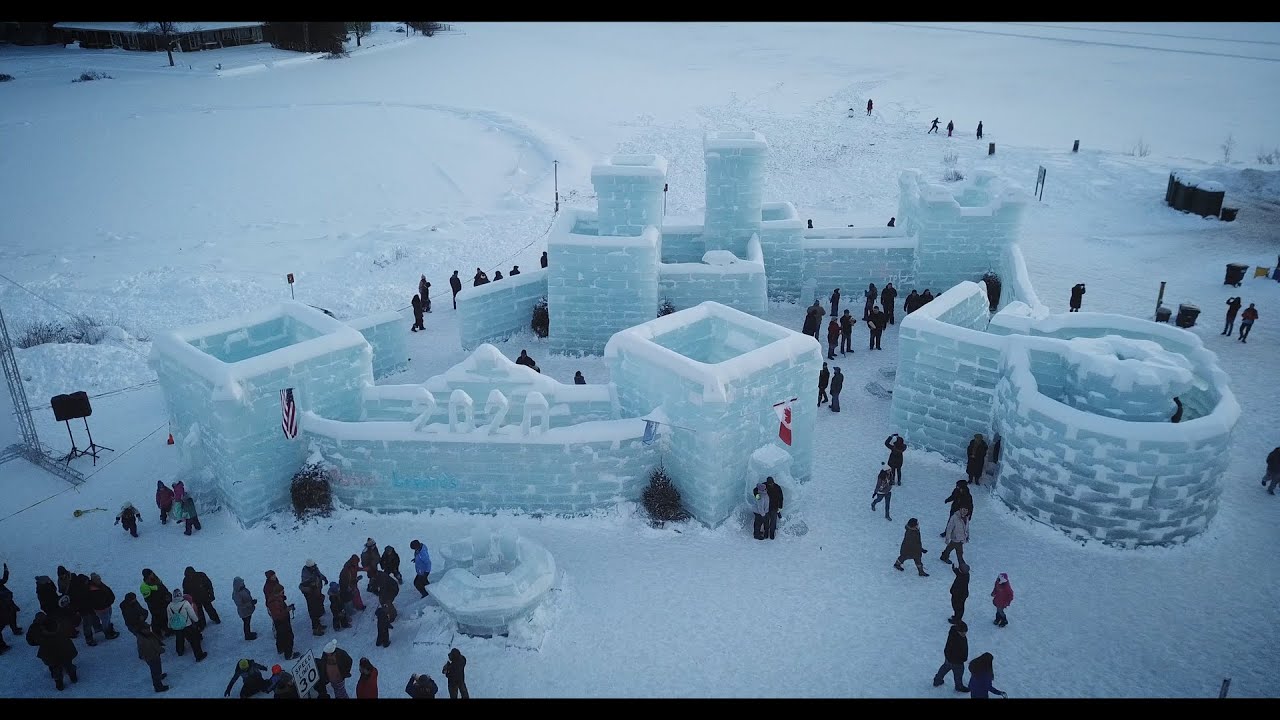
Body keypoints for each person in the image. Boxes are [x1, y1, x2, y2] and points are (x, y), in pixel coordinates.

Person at [35, 613, 79, 691]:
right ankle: (73, 677)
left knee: (56, 667)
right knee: (68, 664)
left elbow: (31, 640)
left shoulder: (35, 628)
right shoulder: (56, 621)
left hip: (49, 652)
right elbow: (68, 629)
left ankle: (59, 684)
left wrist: (40, 641)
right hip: (64, 647)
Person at [264, 570, 298, 661]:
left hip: (279, 620)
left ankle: (280, 648)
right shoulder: (274, 601)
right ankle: (289, 654)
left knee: (280, 635)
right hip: (281, 620)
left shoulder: (275, 598)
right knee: (288, 636)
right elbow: (278, 613)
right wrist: (287, 609)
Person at [165, 588, 207, 661]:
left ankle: (180, 651)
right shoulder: (185, 603)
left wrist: (170, 626)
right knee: (194, 641)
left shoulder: (169, 606)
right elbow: (192, 614)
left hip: (177, 626)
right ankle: (199, 656)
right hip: (187, 625)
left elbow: (169, 617)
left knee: (179, 639)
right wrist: (196, 621)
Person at [932, 620, 969, 692]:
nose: (964, 633)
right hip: (957, 661)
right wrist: (963, 658)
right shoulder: (957, 639)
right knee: (958, 674)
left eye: (965, 631)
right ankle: (959, 687)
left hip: (949, 658)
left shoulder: (953, 633)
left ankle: (937, 680)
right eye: (962, 632)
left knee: (945, 667)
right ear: (958, 630)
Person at [183, 565, 219, 630]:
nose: (190, 576)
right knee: (200, 612)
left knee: (209, 609)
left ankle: (215, 619)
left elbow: (209, 585)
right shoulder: (186, 580)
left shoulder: (200, 576)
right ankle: (202, 624)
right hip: (196, 599)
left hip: (204, 597)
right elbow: (185, 592)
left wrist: (211, 594)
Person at [135, 622, 168, 692]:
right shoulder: (142, 639)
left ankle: (159, 676)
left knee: (158, 668)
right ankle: (158, 687)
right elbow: (142, 649)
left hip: (155, 654)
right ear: (142, 630)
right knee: (155, 671)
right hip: (151, 656)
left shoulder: (147, 634)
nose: (149, 630)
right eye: (146, 629)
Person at [86, 573, 118, 641]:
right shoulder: (93, 590)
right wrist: (108, 602)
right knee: (105, 621)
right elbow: (99, 602)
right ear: (94, 580)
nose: (99, 580)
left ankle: (109, 629)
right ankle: (107, 633)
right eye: (98, 579)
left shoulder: (99, 585)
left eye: (99, 578)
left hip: (107, 606)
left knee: (108, 619)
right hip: (102, 609)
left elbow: (108, 591)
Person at [140, 569, 170, 638]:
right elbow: (149, 600)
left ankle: (166, 629)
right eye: (151, 574)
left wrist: (168, 595)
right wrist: (162, 600)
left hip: (163, 603)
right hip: (156, 607)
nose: (152, 574)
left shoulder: (156, 579)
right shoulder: (144, 587)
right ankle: (158, 633)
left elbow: (163, 588)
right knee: (157, 619)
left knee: (165, 617)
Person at [232, 577, 258, 641]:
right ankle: (247, 635)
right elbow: (240, 605)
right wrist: (251, 603)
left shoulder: (242, 589)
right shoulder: (236, 594)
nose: (243, 583)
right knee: (246, 623)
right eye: (241, 583)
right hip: (244, 612)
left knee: (247, 623)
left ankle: (249, 633)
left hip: (248, 610)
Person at [764, 476, 784, 540]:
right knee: (766, 520)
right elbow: (755, 490)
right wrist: (757, 495)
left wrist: (780, 507)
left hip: (774, 507)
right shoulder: (764, 485)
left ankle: (772, 533)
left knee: (773, 521)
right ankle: (766, 533)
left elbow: (781, 497)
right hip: (766, 507)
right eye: (769, 484)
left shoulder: (777, 487)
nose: (771, 484)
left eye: (772, 483)